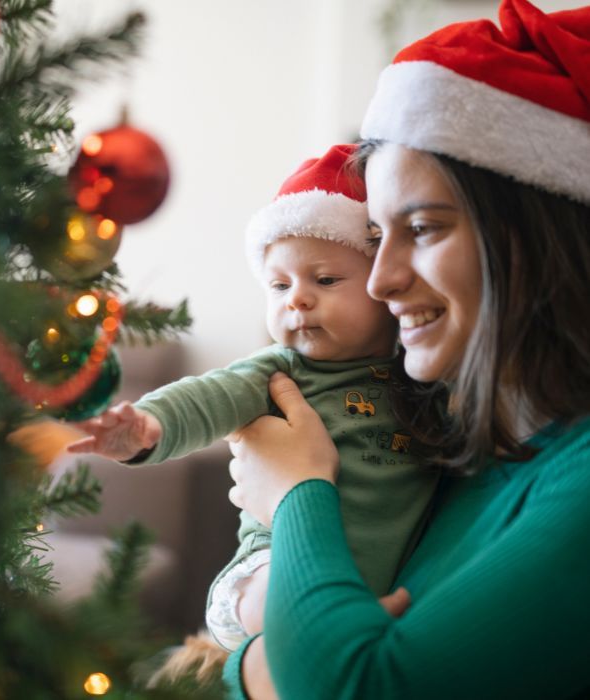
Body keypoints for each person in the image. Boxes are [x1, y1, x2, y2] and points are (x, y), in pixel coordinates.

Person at [222, 0, 590, 697]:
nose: (383, 281)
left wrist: (300, 490)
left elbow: (347, 685)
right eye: (374, 240)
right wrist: (255, 643)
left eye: (421, 228)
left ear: (541, 233)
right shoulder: (452, 448)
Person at [69, 144, 439, 652]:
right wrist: (147, 426)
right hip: (275, 561)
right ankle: (313, 627)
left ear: (383, 285)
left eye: (325, 280)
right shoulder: (279, 371)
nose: (297, 299)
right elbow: (205, 398)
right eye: (279, 285)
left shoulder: (421, 377)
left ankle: (334, 633)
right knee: (270, 593)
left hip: (388, 577)